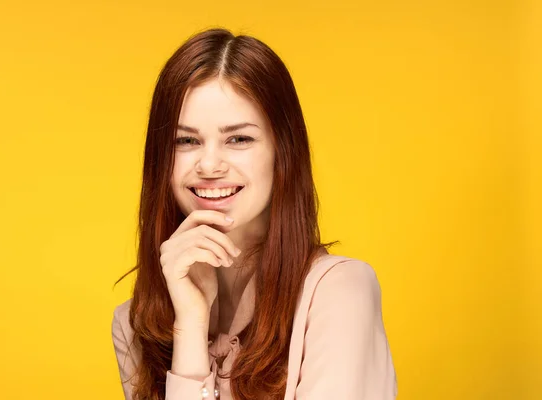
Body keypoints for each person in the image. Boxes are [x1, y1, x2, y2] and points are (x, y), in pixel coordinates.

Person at [111, 27, 397, 400]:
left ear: (283, 151)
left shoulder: (339, 292)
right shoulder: (136, 324)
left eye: (239, 139)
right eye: (186, 141)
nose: (209, 164)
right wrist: (191, 329)